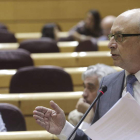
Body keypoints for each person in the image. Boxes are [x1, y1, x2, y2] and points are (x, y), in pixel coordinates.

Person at [33, 8, 140, 139]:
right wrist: (65, 129)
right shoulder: (108, 84)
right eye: (111, 36)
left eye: (119, 37)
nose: (110, 44)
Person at [68, 64, 116, 128]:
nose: (84, 94)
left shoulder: (119, 115)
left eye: (90, 87)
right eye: (84, 87)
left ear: (108, 92)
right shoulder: (77, 117)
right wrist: (88, 114)